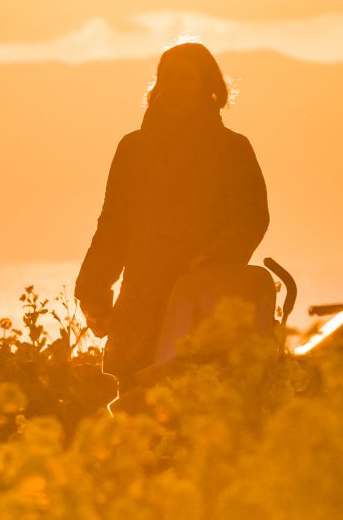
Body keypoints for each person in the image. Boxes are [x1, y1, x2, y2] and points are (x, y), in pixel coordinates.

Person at [76, 41, 271, 392]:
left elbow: (253, 217)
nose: (174, 87)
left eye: (184, 78)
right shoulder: (133, 149)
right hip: (142, 302)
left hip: (205, 303)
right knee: (137, 411)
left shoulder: (232, 149)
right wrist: (93, 289)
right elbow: (113, 226)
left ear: (209, 86)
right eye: (167, 78)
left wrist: (215, 259)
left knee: (202, 411)